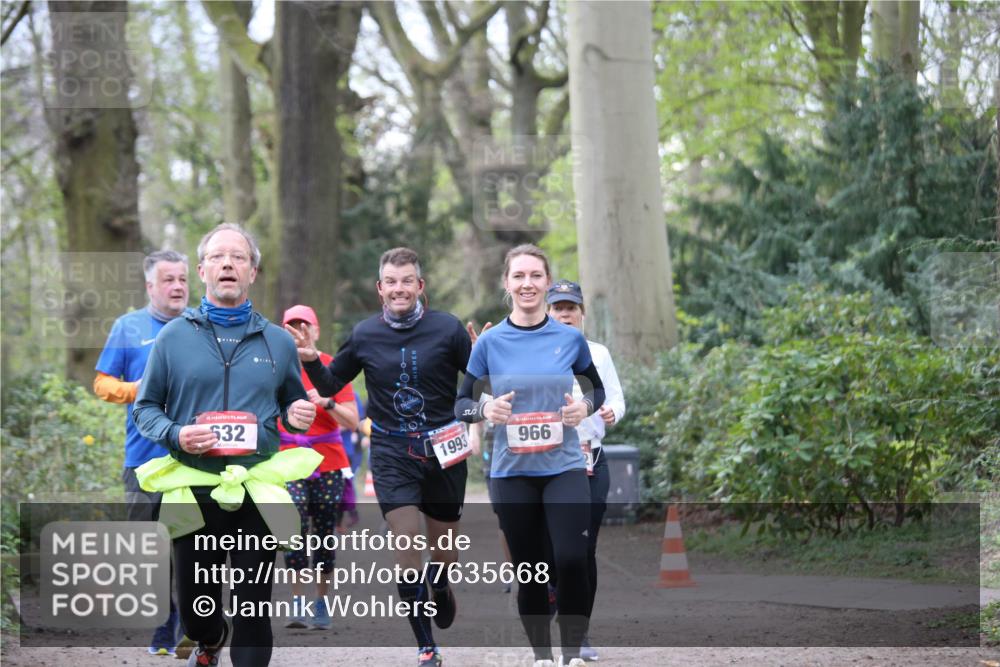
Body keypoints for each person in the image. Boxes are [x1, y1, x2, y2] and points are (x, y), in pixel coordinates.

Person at [133, 223, 319, 667]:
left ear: (253, 271)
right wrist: (177, 434)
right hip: (194, 489)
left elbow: (292, 400)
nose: (228, 264)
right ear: (202, 270)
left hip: (255, 486)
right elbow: (145, 409)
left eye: (238, 257)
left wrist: (298, 413)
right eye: (218, 257)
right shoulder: (173, 338)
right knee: (199, 614)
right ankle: (209, 638)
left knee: (253, 604)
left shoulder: (277, 340)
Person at [288, 247, 472, 667]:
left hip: (444, 450)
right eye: (391, 281)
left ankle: (440, 582)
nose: (399, 288)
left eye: (407, 280)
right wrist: (313, 361)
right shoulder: (366, 334)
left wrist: (483, 364)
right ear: (380, 289)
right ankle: (427, 646)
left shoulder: (448, 329)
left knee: (444, 549)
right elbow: (333, 382)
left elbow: (479, 380)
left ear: (420, 286)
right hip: (391, 451)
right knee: (405, 543)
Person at [454, 244, 605, 667]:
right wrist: (484, 409)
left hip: (564, 466)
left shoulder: (569, 338)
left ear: (546, 281)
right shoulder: (490, 342)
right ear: (507, 284)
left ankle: (572, 653)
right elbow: (460, 404)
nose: (527, 284)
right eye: (518, 276)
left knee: (573, 558)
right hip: (512, 472)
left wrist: (584, 408)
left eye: (535, 276)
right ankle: (542, 656)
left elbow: (597, 389)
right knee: (530, 569)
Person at [93, 249, 189, 656]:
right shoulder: (128, 327)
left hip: (193, 459)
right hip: (143, 458)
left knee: (192, 543)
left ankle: (192, 624)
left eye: (183, 278)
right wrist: (141, 388)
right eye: (168, 279)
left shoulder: (199, 324)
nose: (178, 286)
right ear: (150, 285)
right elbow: (102, 384)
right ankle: (162, 624)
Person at [546, 280, 626, 662]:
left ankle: (578, 633)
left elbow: (616, 398)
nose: (565, 313)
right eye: (558, 307)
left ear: (581, 314)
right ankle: (549, 602)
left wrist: (612, 412)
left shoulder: (599, 353)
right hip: (547, 463)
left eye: (571, 308)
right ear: (547, 312)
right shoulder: (536, 355)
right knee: (552, 550)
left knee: (583, 550)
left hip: (592, 459)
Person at [278, 304, 359, 630]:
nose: (299, 331)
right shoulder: (275, 367)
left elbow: (353, 421)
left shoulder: (331, 368)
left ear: (316, 330)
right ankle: (297, 602)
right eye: (291, 326)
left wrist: (326, 401)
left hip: (328, 462)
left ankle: (321, 602)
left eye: (305, 325)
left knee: (325, 534)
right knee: (293, 529)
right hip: (288, 462)